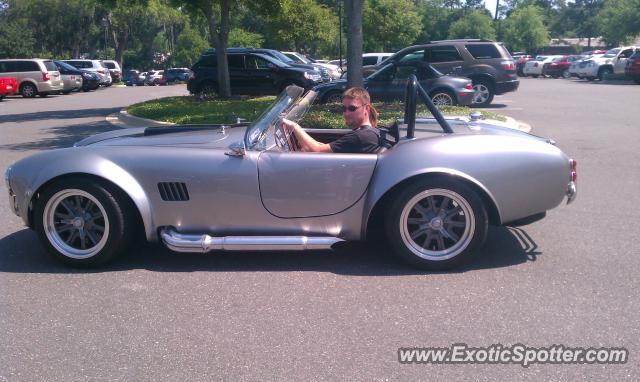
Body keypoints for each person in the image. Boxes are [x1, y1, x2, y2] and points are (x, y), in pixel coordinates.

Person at [281, 87, 380, 153]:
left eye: (352, 108)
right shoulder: (365, 133)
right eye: (344, 108)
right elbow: (330, 147)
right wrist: (304, 141)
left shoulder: (360, 137)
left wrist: (294, 126)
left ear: (366, 108)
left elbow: (317, 151)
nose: (346, 113)